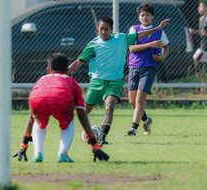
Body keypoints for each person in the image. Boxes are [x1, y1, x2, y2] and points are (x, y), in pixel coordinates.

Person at [68, 16, 169, 144]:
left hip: (115, 82)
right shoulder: (93, 45)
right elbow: (78, 62)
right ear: (97, 30)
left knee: (109, 106)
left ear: (112, 30)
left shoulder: (121, 38)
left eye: (106, 29)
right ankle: (67, 125)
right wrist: (63, 73)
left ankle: (102, 138)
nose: (103, 32)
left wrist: (158, 28)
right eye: (101, 29)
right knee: (84, 111)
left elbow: (140, 35)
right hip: (97, 82)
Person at [13, 53, 109, 163]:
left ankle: (38, 154)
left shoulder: (41, 80)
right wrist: (95, 145)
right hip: (61, 97)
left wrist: (23, 145)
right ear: (67, 70)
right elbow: (82, 114)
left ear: (48, 70)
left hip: (38, 98)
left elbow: (31, 119)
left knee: (38, 121)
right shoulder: (70, 81)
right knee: (68, 123)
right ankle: (63, 154)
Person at [125, 3, 169, 136]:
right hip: (134, 68)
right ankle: (146, 119)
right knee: (132, 101)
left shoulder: (160, 32)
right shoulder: (134, 29)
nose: (145, 17)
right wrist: (150, 44)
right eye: (142, 15)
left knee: (139, 99)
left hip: (149, 68)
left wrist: (163, 57)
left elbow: (166, 47)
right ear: (138, 17)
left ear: (152, 17)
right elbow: (132, 48)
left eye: (148, 15)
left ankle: (133, 129)